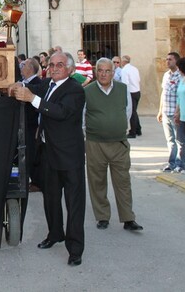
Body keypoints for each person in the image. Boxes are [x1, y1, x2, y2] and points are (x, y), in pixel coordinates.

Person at [11, 51, 86, 266]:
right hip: (48, 153)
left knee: (74, 204)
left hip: (69, 156)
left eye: (59, 65)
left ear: (70, 69)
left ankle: (75, 249)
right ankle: (55, 234)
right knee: (51, 199)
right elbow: (31, 88)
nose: (54, 68)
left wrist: (32, 99)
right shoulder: (47, 85)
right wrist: (15, 87)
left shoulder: (75, 90)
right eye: (51, 64)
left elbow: (60, 111)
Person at [84, 58, 143, 232]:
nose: (103, 74)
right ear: (96, 72)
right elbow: (82, 116)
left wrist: (117, 127)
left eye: (107, 71)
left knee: (123, 182)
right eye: (100, 70)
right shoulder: (87, 91)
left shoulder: (123, 89)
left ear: (113, 72)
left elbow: (128, 111)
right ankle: (102, 217)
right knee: (97, 181)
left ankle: (128, 218)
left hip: (118, 143)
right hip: (95, 144)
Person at [157, 52, 183, 172]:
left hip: (175, 112)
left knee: (179, 140)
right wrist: (160, 110)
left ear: (176, 61)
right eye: (166, 59)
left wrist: (178, 112)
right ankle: (171, 163)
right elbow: (164, 93)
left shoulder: (180, 76)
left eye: (170, 59)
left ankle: (180, 163)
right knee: (170, 140)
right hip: (166, 111)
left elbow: (181, 95)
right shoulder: (166, 75)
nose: (167, 61)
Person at [19, 58, 42, 191]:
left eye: (24, 65)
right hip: (25, 124)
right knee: (26, 152)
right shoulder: (24, 82)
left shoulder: (37, 83)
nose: (21, 67)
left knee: (33, 154)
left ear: (30, 68)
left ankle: (36, 182)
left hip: (33, 125)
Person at [175, 57, 185, 173]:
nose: (178, 70)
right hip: (183, 116)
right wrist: (177, 112)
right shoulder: (182, 80)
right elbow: (179, 98)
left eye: (180, 68)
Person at [121, 55, 142, 138]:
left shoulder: (124, 70)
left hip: (130, 92)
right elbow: (138, 79)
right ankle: (138, 129)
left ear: (123, 62)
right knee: (134, 111)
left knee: (131, 112)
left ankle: (132, 132)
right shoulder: (134, 68)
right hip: (137, 91)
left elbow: (125, 83)